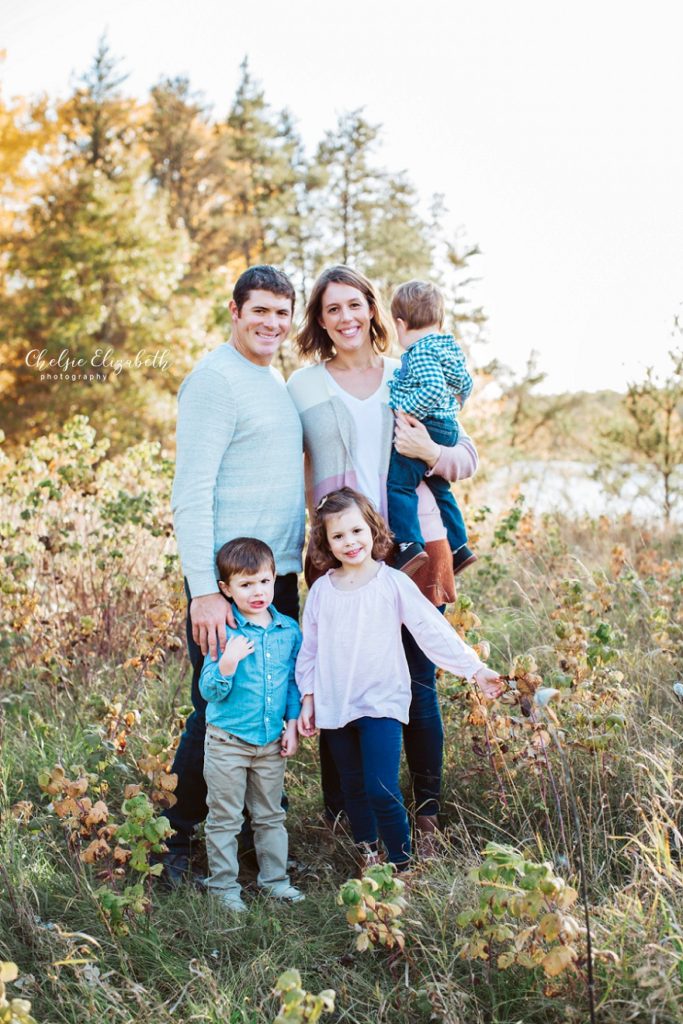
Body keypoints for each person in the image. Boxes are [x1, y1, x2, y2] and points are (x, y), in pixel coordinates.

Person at [287, 265, 481, 849]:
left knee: (418, 682)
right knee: (336, 677)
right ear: (320, 322)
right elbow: (286, 465)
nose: (346, 317)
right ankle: (344, 816)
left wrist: (432, 450)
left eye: (355, 304)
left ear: (374, 310)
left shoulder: (407, 372)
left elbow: (466, 454)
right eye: (331, 309)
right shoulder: (302, 386)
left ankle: (425, 816)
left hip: (415, 547)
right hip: (336, 552)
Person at [167, 265, 305, 884]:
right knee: (215, 715)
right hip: (228, 587)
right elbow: (190, 494)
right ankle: (176, 839)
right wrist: (204, 591)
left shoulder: (272, 379)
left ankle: (255, 842)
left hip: (278, 578)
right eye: (261, 311)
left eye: (282, 312)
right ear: (235, 309)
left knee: (266, 707)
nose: (272, 323)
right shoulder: (214, 381)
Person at [296, 488, 504, 869]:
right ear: (324, 542)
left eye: (356, 531)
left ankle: (402, 863)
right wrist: (307, 697)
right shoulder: (323, 591)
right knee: (354, 788)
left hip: (381, 702)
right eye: (337, 536)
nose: (349, 542)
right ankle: (370, 858)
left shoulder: (391, 582)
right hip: (335, 704)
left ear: (372, 529)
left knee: (381, 787)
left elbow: (431, 630)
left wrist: (475, 669)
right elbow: (309, 649)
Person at [200, 537, 304, 912]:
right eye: (245, 585)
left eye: (264, 581)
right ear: (227, 589)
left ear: (274, 578)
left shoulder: (288, 630)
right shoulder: (226, 632)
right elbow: (209, 690)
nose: (257, 592)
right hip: (228, 741)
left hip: (270, 742)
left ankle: (275, 881)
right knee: (225, 817)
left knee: (270, 815)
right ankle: (223, 888)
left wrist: (291, 725)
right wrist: (227, 664)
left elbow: (294, 682)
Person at [387, 280, 477, 576]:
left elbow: (435, 387)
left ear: (400, 324)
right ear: (438, 320)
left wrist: (407, 410)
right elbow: (465, 383)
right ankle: (459, 546)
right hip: (447, 426)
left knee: (399, 484)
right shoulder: (447, 348)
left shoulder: (420, 352)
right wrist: (454, 407)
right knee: (441, 490)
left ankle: (409, 544)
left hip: (428, 427)